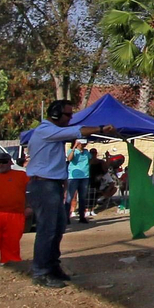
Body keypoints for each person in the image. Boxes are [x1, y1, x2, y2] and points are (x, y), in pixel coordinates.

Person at [25, 100, 119, 287]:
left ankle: (52, 266)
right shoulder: (46, 130)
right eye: (67, 115)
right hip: (44, 185)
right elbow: (76, 131)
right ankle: (41, 272)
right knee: (48, 230)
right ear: (55, 115)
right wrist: (100, 128)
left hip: (51, 185)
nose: (70, 118)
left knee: (58, 228)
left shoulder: (52, 132)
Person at [0, 151, 29, 265]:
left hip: (15, 215)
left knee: (11, 242)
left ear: (10, 163)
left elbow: (32, 193)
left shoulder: (22, 176)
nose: (1, 165)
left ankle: (11, 266)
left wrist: (30, 207)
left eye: (3, 162)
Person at [66, 139, 93, 222]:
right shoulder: (71, 151)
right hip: (73, 177)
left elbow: (91, 160)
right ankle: (66, 217)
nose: (84, 145)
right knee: (69, 197)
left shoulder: (86, 152)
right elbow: (69, 159)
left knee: (82, 198)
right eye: (82, 144)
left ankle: (82, 217)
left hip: (84, 176)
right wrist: (74, 148)